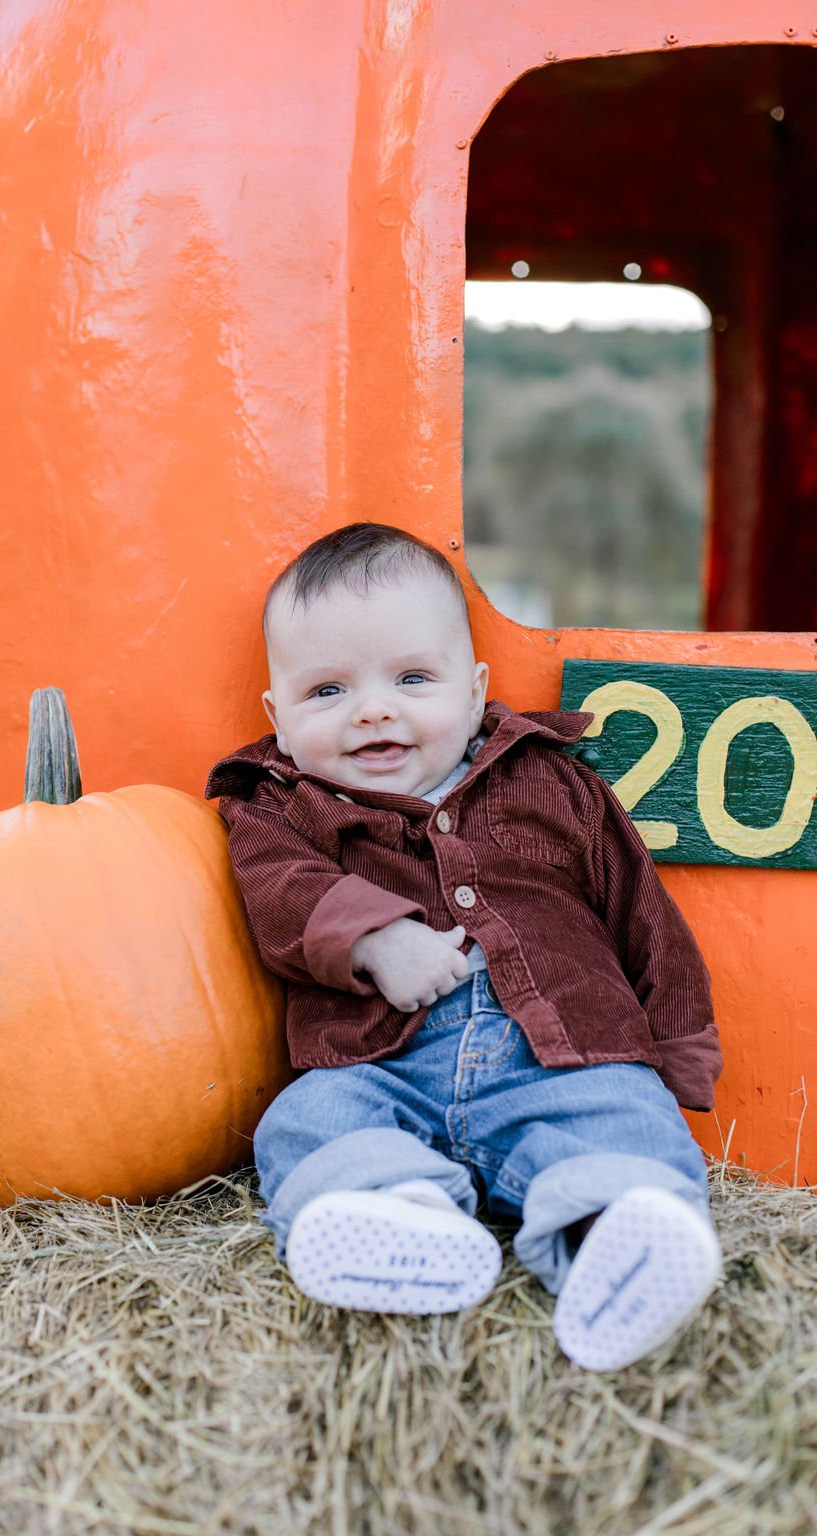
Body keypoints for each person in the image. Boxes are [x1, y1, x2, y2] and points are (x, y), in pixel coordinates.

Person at [205, 522, 722, 1371]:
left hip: (562, 1054)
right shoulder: (278, 808)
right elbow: (277, 891)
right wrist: (371, 937)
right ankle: (398, 1213)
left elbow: (640, 910)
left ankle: (616, 1238)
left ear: (476, 687)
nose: (375, 708)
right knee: (302, 1125)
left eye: (413, 678)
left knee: (627, 1116)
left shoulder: (550, 781)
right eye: (328, 691)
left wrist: (676, 1048)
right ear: (280, 720)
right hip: (379, 1064)